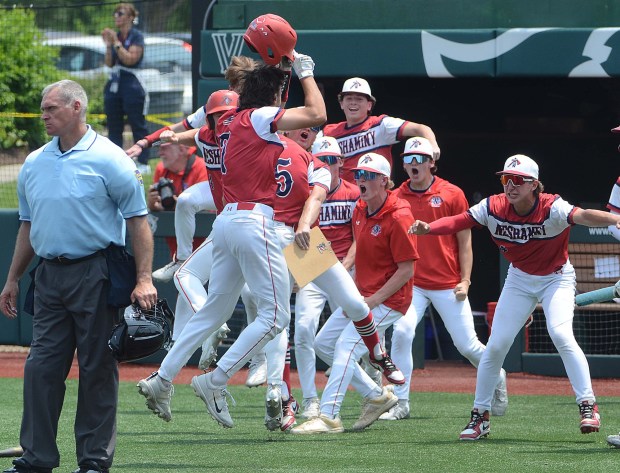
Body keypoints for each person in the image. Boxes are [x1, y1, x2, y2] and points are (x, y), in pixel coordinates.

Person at [137, 41, 328, 429]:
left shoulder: (219, 130)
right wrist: (305, 70)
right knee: (278, 317)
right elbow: (318, 114)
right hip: (275, 228)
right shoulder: (255, 119)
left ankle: (162, 377)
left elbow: (191, 131)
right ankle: (224, 379)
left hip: (238, 224)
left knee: (216, 310)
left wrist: (151, 140)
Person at [0, 79, 156, 473]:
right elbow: (27, 225)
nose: (44, 115)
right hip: (49, 276)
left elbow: (138, 221)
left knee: (97, 368)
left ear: (76, 108)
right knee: (40, 367)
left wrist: (144, 279)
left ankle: (93, 462)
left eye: (51, 108)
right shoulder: (35, 162)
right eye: (43, 109)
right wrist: (13, 278)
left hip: (97, 273)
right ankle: (36, 458)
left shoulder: (110, 158)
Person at [411, 154, 620, 440]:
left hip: (556, 278)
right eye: (506, 179)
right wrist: (429, 228)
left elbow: (583, 216)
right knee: (496, 345)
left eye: (519, 180)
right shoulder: (493, 206)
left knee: (560, 334)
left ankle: (588, 405)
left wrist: (615, 219)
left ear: (535, 185)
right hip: (519, 278)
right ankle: (479, 417)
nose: (511, 185)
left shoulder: (552, 207)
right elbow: (460, 221)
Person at [380, 136, 507, 421]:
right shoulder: (396, 196)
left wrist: (466, 280)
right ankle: (401, 401)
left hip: (448, 283)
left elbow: (464, 241)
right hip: (411, 283)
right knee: (401, 333)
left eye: (419, 159)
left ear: (431, 163)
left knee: (467, 346)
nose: (413, 165)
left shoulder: (451, 193)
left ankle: (496, 374)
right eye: (408, 159)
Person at [291, 152, 419, 434]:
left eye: (369, 176)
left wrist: (373, 301)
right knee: (322, 343)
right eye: (359, 175)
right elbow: (354, 248)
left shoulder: (399, 215)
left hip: (389, 300)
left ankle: (328, 417)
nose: (362, 180)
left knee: (345, 346)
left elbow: (406, 270)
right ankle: (377, 395)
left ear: (384, 181)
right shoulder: (360, 207)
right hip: (362, 295)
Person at [293, 136, 360, 419]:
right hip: (312, 262)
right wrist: (298, 270)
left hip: (344, 266)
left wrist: (346, 265)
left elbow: (362, 237)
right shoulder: (304, 193)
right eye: (322, 160)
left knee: (355, 330)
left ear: (341, 163)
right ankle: (310, 399)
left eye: (332, 160)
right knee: (304, 332)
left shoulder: (354, 192)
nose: (328, 166)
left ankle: (373, 387)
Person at [321, 77, 440, 183]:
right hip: (344, 200)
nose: (353, 103)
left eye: (359, 99)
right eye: (349, 98)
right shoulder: (329, 132)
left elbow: (420, 128)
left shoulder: (382, 125)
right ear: (341, 103)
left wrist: (433, 145)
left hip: (376, 197)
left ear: (369, 105)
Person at [101, 3, 150, 172]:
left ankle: (143, 162)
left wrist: (116, 43)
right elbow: (109, 63)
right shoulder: (116, 37)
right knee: (114, 124)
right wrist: (108, 45)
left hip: (132, 82)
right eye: (115, 14)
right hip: (115, 81)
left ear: (130, 17)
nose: (116, 17)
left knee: (137, 123)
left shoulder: (136, 36)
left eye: (120, 14)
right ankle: (116, 161)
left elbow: (131, 59)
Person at [147, 141, 209, 261]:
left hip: (203, 249)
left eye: (164, 148)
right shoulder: (162, 169)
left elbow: (208, 209)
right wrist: (152, 205)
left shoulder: (203, 168)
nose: (160, 153)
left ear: (181, 149)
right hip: (175, 249)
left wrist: (179, 205)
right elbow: (160, 206)